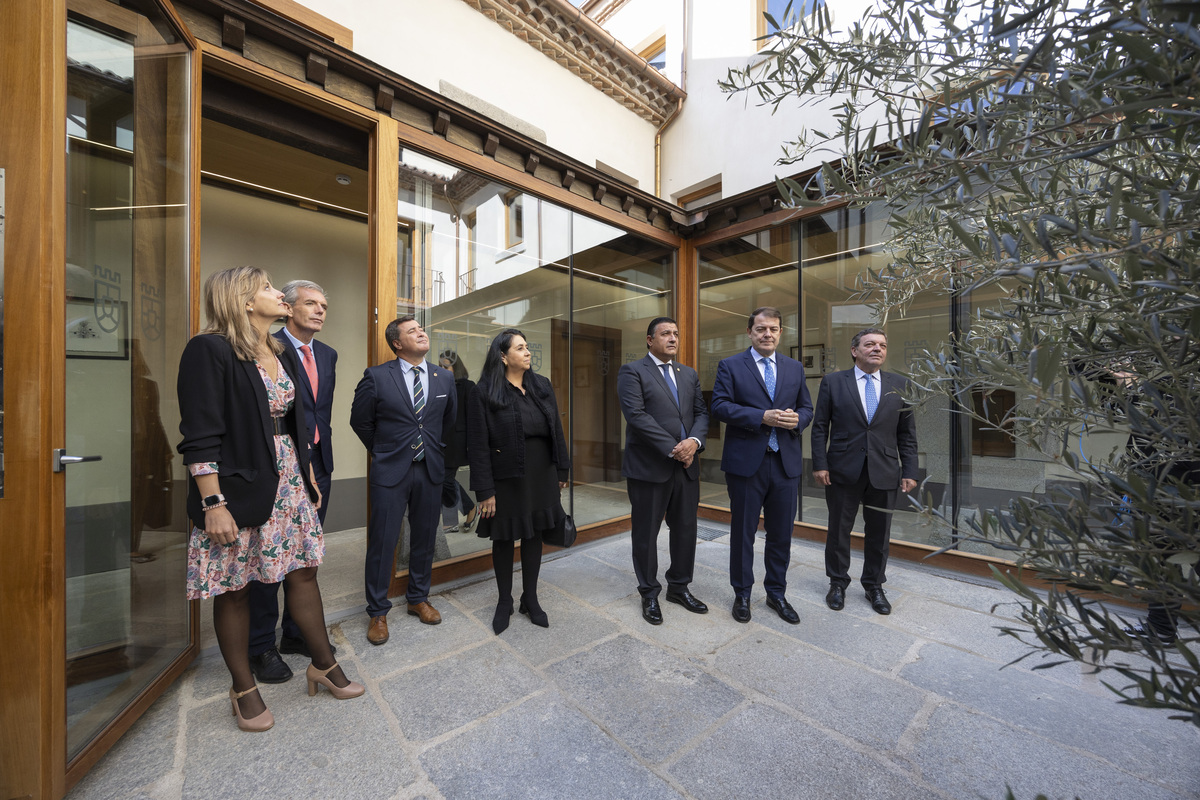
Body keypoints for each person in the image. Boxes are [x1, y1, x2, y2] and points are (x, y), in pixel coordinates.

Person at [177, 266, 363, 733]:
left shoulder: (278, 349)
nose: (277, 292)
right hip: (236, 489)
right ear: (241, 300)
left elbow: (297, 421)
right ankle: (243, 688)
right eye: (265, 288)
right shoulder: (210, 349)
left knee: (304, 573)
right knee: (236, 588)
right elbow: (199, 436)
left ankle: (323, 664)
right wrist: (212, 502)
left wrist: (306, 474)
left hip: (290, 484)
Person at [248, 279, 338, 684]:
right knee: (270, 559)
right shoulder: (266, 346)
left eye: (324, 305)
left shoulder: (329, 354)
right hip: (276, 462)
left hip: (317, 462)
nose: (320, 310)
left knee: (304, 556)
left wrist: (316, 462)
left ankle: (297, 634)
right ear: (288, 306)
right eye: (311, 303)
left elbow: (320, 411)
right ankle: (261, 646)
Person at [350, 315, 456, 645]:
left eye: (422, 330)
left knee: (424, 536)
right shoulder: (377, 377)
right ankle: (378, 612)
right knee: (383, 540)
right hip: (391, 469)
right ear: (397, 343)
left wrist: (431, 448)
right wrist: (385, 449)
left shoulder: (443, 378)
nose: (421, 333)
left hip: (430, 469)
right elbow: (360, 421)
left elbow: (447, 423)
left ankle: (418, 599)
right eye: (413, 331)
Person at [711, 307, 813, 624]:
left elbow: (807, 408)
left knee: (781, 534)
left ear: (780, 332)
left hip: (785, 462)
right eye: (761, 329)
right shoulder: (730, 365)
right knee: (744, 533)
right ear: (750, 332)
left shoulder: (794, 368)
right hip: (746, 464)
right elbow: (719, 405)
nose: (767, 334)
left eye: (773, 329)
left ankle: (776, 593)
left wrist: (799, 421)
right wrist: (760, 417)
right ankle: (742, 594)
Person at [467, 328, 570, 635]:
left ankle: (531, 598)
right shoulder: (483, 391)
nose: (527, 352)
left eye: (527, 347)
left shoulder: (541, 384)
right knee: (503, 539)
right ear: (502, 356)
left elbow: (557, 430)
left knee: (534, 535)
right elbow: (478, 444)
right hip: (507, 478)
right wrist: (485, 490)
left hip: (542, 474)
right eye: (520, 348)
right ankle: (504, 602)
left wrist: (562, 470)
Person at [811, 327, 918, 616]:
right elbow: (821, 426)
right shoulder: (834, 382)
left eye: (882, 345)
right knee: (839, 530)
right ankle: (837, 582)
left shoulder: (899, 384)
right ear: (854, 350)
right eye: (870, 344)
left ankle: (874, 585)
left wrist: (909, 470)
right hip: (842, 470)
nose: (877, 349)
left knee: (879, 533)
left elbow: (907, 433)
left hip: (884, 470)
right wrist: (819, 464)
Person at [617, 317, 710, 625]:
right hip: (650, 468)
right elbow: (637, 416)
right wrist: (676, 448)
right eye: (665, 334)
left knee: (686, 530)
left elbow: (700, 412)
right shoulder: (633, 372)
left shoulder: (689, 374)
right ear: (649, 340)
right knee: (646, 533)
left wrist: (694, 442)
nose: (673, 338)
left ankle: (679, 587)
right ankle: (649, 593)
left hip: (687, 467)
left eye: (676, 334)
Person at [438, 350, 478, 534]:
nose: (443, 369)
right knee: (443, 479)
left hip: (457, 442)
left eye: (446, 366)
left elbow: (474, 418)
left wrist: (472, 445)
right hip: (440, 440)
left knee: (444, 479)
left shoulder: (468, 386)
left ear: (456, 367)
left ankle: (469, 508)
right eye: (441, 366)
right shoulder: (438, 385)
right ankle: (451, 521)